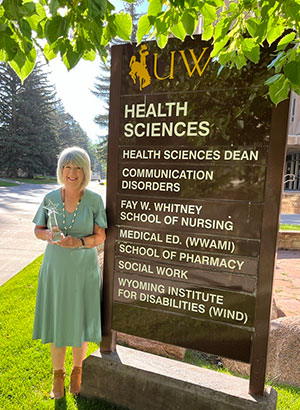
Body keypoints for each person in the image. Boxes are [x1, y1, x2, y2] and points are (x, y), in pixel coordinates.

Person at [32, 146, 107, 399]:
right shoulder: (51, 198)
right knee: (58, 321)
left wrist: (80, 242)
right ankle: (57, 375)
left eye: (77, 167)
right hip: (56, 268)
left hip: (84, 270)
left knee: (79, 321)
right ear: (61, 169)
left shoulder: (95, 200)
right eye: (67, 166)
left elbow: (101, 236)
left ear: (85, 171)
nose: (71, 172)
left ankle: (77, 371)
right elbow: (38, 229)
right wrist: (47, 235)